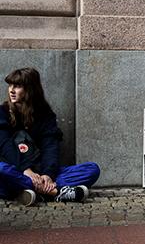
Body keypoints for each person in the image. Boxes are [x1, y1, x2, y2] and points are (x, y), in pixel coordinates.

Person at [0, 68, 100, 205]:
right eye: (10, 86)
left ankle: (29, 191)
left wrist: (47, 175)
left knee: (91, 169)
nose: (11, 90)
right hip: (15, 170)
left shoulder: (45, 115)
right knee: (1, 170)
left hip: (40, 171)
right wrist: (26, 170)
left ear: (30, 90)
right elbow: (5, 145)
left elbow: (50, 147)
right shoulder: (3, 112)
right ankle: (56, 193)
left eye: (17, 86)